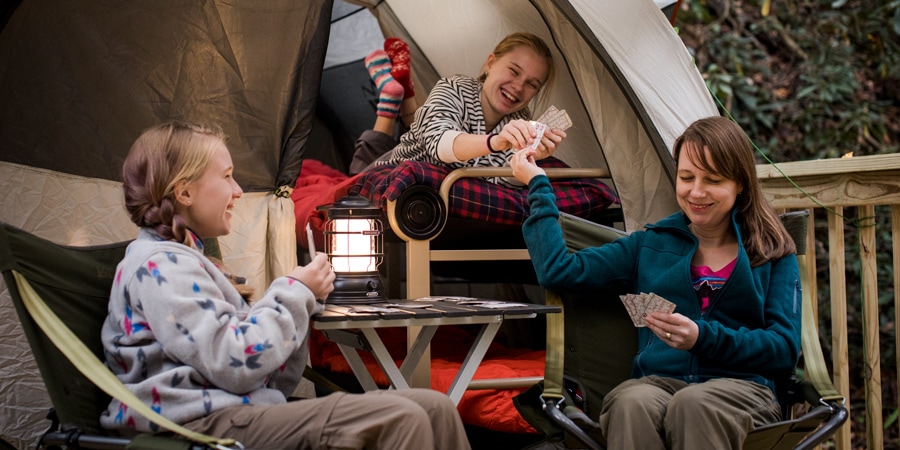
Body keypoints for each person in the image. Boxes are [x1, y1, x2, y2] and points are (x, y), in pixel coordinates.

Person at [101, 121, 471, 449]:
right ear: (184, 192)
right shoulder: (161, 265)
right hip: (194, 424)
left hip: (243, 410)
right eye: (227, 176)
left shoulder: (190, 262)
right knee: (399, 418)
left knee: (434, 406)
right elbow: (235, 363)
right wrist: (294, 290)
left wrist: (304, 302)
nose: (237, 190)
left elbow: (274, 382)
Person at [509, 116, 802, 449]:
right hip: (658, 384)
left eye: (713, 180)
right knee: (630, 402)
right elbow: (557, 270)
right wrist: (538, 186)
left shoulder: (770, 251)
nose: (696, 192)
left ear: (740, 184)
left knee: (693, 404)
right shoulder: (649, 245)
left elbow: (783, 349)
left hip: (743, 389)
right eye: (686, 177)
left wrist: (701, 337)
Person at [349, 32, 568, 188]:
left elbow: (499, 182)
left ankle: (404, 94)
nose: (519, 87)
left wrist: (529, 160)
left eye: (532, 84)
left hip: (442, 199)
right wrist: (495, 141)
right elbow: (439, 144)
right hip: (389, 173)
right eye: (513, 71)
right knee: (353, 178)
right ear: (491, 63)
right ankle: (390, 102)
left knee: (416, 123)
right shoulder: (455, 87)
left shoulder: (521, 120)